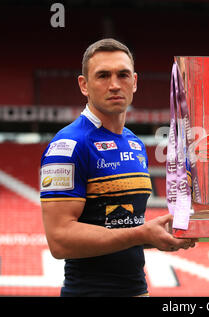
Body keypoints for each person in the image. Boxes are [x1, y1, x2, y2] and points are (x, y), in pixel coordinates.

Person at [40, 38, 195, 297]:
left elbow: (121, 227)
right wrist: (140, 233)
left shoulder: (134, 142)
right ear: (83, 85)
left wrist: (156, 236)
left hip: (137, 290)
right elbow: (59, 240)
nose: (114, 85)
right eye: (103, 76)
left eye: (122, 75)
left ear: (134, 82)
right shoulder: (68, 145)